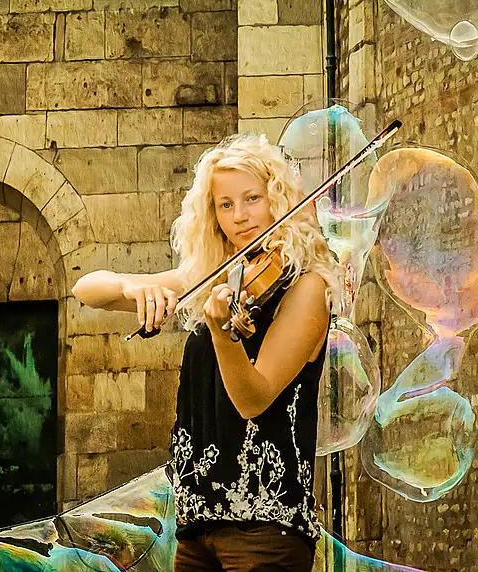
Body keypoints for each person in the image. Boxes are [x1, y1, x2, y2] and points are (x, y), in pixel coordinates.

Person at [72, 133, 340, 572]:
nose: (240, 216)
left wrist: (220, 333)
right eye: (225, 204)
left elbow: (254, 398)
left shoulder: (307, 288)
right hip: (197, 528)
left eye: (252, 198)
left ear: (278, 199)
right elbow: (87, 290)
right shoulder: (213, 277)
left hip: (265, 531)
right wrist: (133, 288)